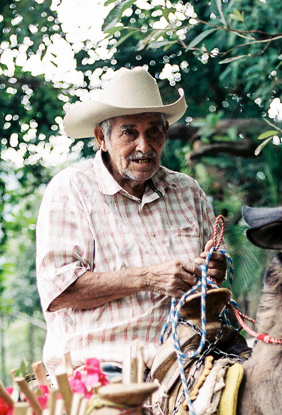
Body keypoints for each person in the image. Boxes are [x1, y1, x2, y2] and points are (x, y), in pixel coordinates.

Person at [35, 67, 226, 376]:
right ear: (102, 138)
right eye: (129, 132)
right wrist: (149, 278)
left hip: (193, 354)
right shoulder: (71, 189)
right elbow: (60, 292)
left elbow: (216, 276)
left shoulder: (188, 191)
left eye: (154, 131)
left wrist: (215, 269)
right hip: (102, 366)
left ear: (165, 134)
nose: (144, 146)